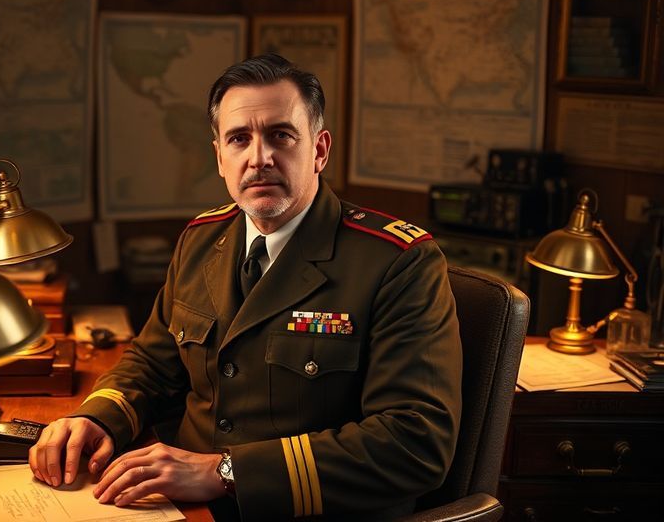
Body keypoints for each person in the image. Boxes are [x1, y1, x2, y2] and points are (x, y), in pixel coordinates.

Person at [29, 54, 462, 521]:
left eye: (281, 135)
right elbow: (153, 363)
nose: (259, 158)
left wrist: (226, 472)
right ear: (220, 157)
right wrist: (96, 417)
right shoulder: (201, 239)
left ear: (319, 150)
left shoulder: (398, 262)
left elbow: (415, 442)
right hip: (182, 506)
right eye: (239, 139)